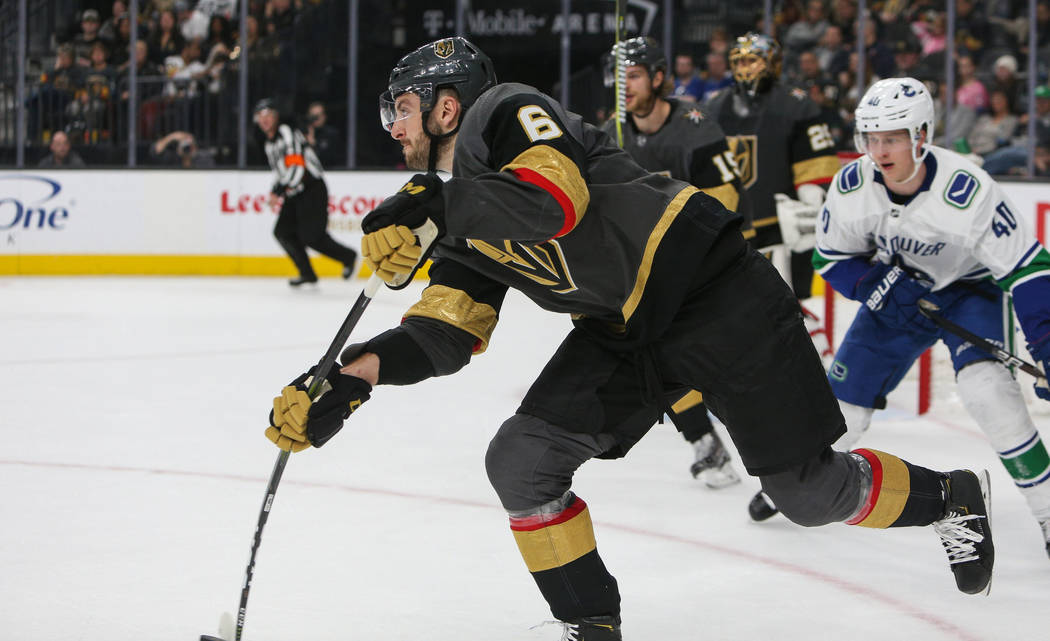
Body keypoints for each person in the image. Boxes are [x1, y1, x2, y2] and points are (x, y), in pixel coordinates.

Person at [264, 38, 995, 640]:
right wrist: (351, 375)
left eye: (402, 107)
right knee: (521, 461)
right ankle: (590, 624)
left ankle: (951, 497)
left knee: (807, 492)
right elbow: (445, 331)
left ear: (445, 103)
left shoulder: (503, 110)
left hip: (715, 289)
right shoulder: (455, 218)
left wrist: (441, 204)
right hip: (625, 327)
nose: (392, 125)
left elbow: (557, 200)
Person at [757, 78, 1050, 561]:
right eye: (871, 138)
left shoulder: (970, 191)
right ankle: (792, 482)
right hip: (895, 291)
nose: (879, 151)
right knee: (841, 410)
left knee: (989, 394)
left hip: (967, 293)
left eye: (891, 137)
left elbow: (1028, 268)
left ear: (921, 135)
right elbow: (831, 258)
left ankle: (1046, 510)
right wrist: (874, 284)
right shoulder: (853, 186)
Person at [599, 36, 745, 487]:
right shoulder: (610, 136)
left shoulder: (696, 124)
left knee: (727, 363)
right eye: (619, 78)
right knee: (651, 355)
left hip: (706, 264)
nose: (625, 87)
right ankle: (705, 443)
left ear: (659, 78)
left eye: (635, 76)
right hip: (647, 274)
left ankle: (771, 445)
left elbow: (726, 200)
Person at [703, 33, 840, 300]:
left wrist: (812, 206)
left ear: (773, 63)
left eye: (752, 60)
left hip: (780, 228)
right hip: (730, 225)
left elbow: (817, 168)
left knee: (789, 303)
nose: (744, 68)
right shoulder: (714, 106)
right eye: (739, 61)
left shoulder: (795, 104)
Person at [253, 98, 358, 286]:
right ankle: (307, 273)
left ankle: (348, 257)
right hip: (293, 192)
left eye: (268, 115)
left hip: (312, 188)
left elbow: (297, 166)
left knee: (312, 237)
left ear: (276, 117)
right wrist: (275, 190)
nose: (265, 120)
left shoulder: (286, 132)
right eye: (261, 117)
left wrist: (279, 190)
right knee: (282, 232)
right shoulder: (269, 144)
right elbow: (280, 171)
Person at [304, 101, 343, 167]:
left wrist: (313, 144)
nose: (316, 119)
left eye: (319, 115)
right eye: (313, 116)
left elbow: (331, 160)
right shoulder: (302, 133)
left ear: (324, 116)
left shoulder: (331, 135)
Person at [150, 130, 216, 168]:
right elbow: (156, 151)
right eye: (184, 145)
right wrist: (172, 137)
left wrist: (194, 152)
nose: (186, 148)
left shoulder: (203, 158)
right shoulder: (173, 158)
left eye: (189, 146)